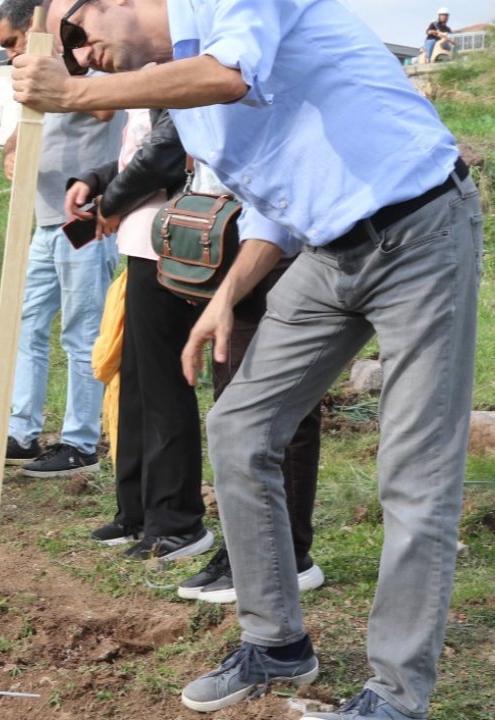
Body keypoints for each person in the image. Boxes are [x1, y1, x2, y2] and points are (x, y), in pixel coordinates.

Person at [14, 1, 481, 718]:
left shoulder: (226, 16)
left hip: (420, 230)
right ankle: (277, 644)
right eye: (69, 57)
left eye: (75, 36)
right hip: (328, 253)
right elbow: (273, 193)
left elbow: (230, 77)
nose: (79, 57)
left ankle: (395, 694)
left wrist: (73, 94)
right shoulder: (183, 92)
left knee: (414, 477)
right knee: (238, 428)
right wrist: (227, 296)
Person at [0, 0, 122, 477]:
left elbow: (104, 109)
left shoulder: (88, 71)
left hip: (84, 225)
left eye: (14, 42)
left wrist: (54, 78)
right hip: (46, 225)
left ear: (43, 31)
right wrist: (10, 153)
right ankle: (21, 432)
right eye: (5, 47)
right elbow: (24, 132)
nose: (11, 54)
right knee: (25, 327)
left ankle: (80, 443)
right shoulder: (40, 84)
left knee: (81, 332)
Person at [68, 106, 215, 560]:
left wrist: (110, 202)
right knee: (134, 386)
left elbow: (166, 154)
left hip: (169, 249)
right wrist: (96, 179)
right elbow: (139, 151)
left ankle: (177, 522)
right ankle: (137, 510)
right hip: (141, 249)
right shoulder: (143, 73)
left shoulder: (172, 67)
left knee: (164, 387)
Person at [174, 161, 324, 603]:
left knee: (281, 410)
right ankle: (244, 548)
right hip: (228, 245)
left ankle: (290, 556)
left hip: (284, 251)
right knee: (232, 402)